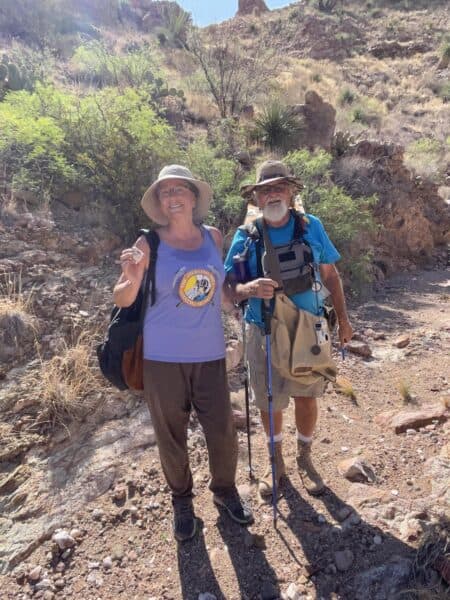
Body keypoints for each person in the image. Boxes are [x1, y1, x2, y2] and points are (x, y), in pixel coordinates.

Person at [113, 164, 253, 542]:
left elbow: (222, 297)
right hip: (162, 358)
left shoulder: (214, 237)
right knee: (170, 434)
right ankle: (182, 500)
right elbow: (122, 297)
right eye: (164, 192)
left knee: (222, 430)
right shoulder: (149, 243)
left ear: (193, 196)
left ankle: (224, 491)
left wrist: (245, 292)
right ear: (159, 202)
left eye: (179, 190)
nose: (172, 197)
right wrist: (134, 276)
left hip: (208, 355)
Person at [224, 160, 353, 497]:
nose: (273, 194)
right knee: (269, 400)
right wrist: (250, 289)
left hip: (308, 328)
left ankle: (304, 458)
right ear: (256, 197)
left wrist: (345, 320)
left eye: (279, 187)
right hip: (261, 328)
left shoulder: (312, 226)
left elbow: (330, 275)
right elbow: (228, 290)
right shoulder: (245, 236)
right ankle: (275, 461)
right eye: (265, 189)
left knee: (306, 396)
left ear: (292, 192)